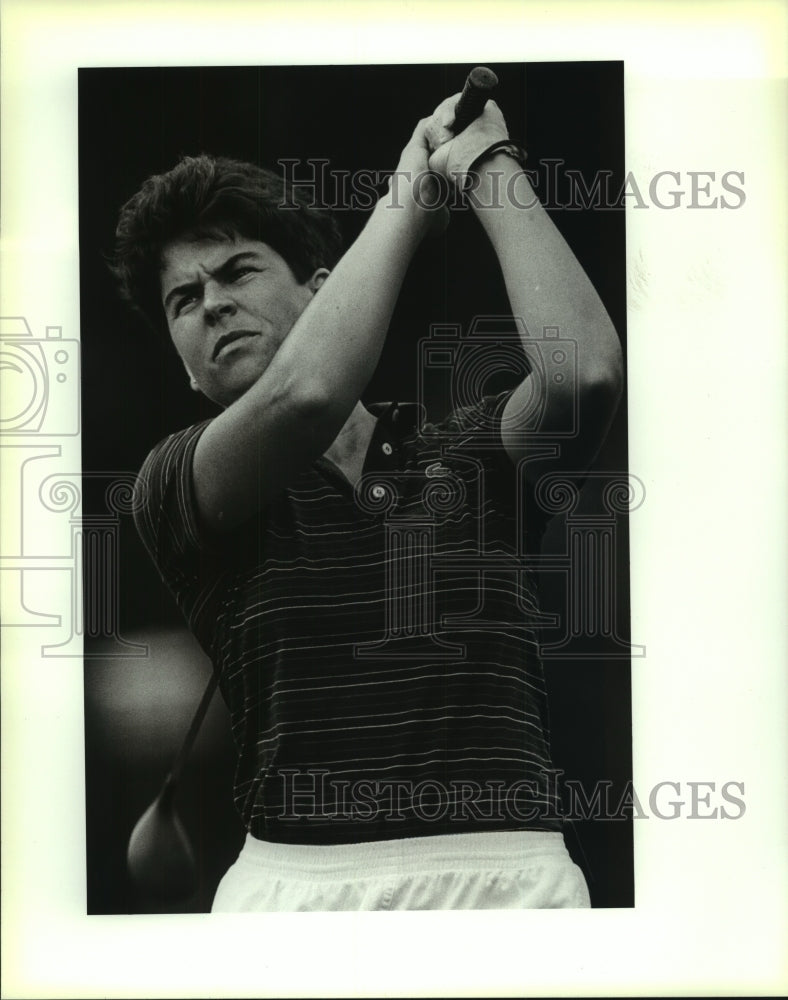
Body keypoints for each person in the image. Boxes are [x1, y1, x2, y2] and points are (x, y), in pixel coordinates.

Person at [115, 88, 623, 911]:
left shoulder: (475, 448)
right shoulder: (174, 483)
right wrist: (409, 196)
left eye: (237, 270)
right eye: (183, 299)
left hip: (512, 878)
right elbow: (307, 393)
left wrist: (483, 165)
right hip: (296, 895)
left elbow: (584, 374)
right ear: (184, 364)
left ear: (324, 288)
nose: (211, 302)